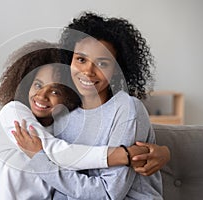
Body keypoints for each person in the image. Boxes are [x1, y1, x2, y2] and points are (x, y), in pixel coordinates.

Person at [12, 12, 168, 199]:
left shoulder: (126, 109)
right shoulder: (62, 115)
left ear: (117, 70)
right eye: (81, 59)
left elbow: (108, 193)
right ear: (69, 60)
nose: (88, 71)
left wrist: (39, 159)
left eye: (102, 63)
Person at [0, 40, 151, 200]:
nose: (42, 95)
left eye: (55, 91)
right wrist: (120, 155)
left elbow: (62, 178)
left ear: (67, 97)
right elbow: (57, 152)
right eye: (37, 85)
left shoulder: (60, 127)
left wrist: (161, 153)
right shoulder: (13, 112)